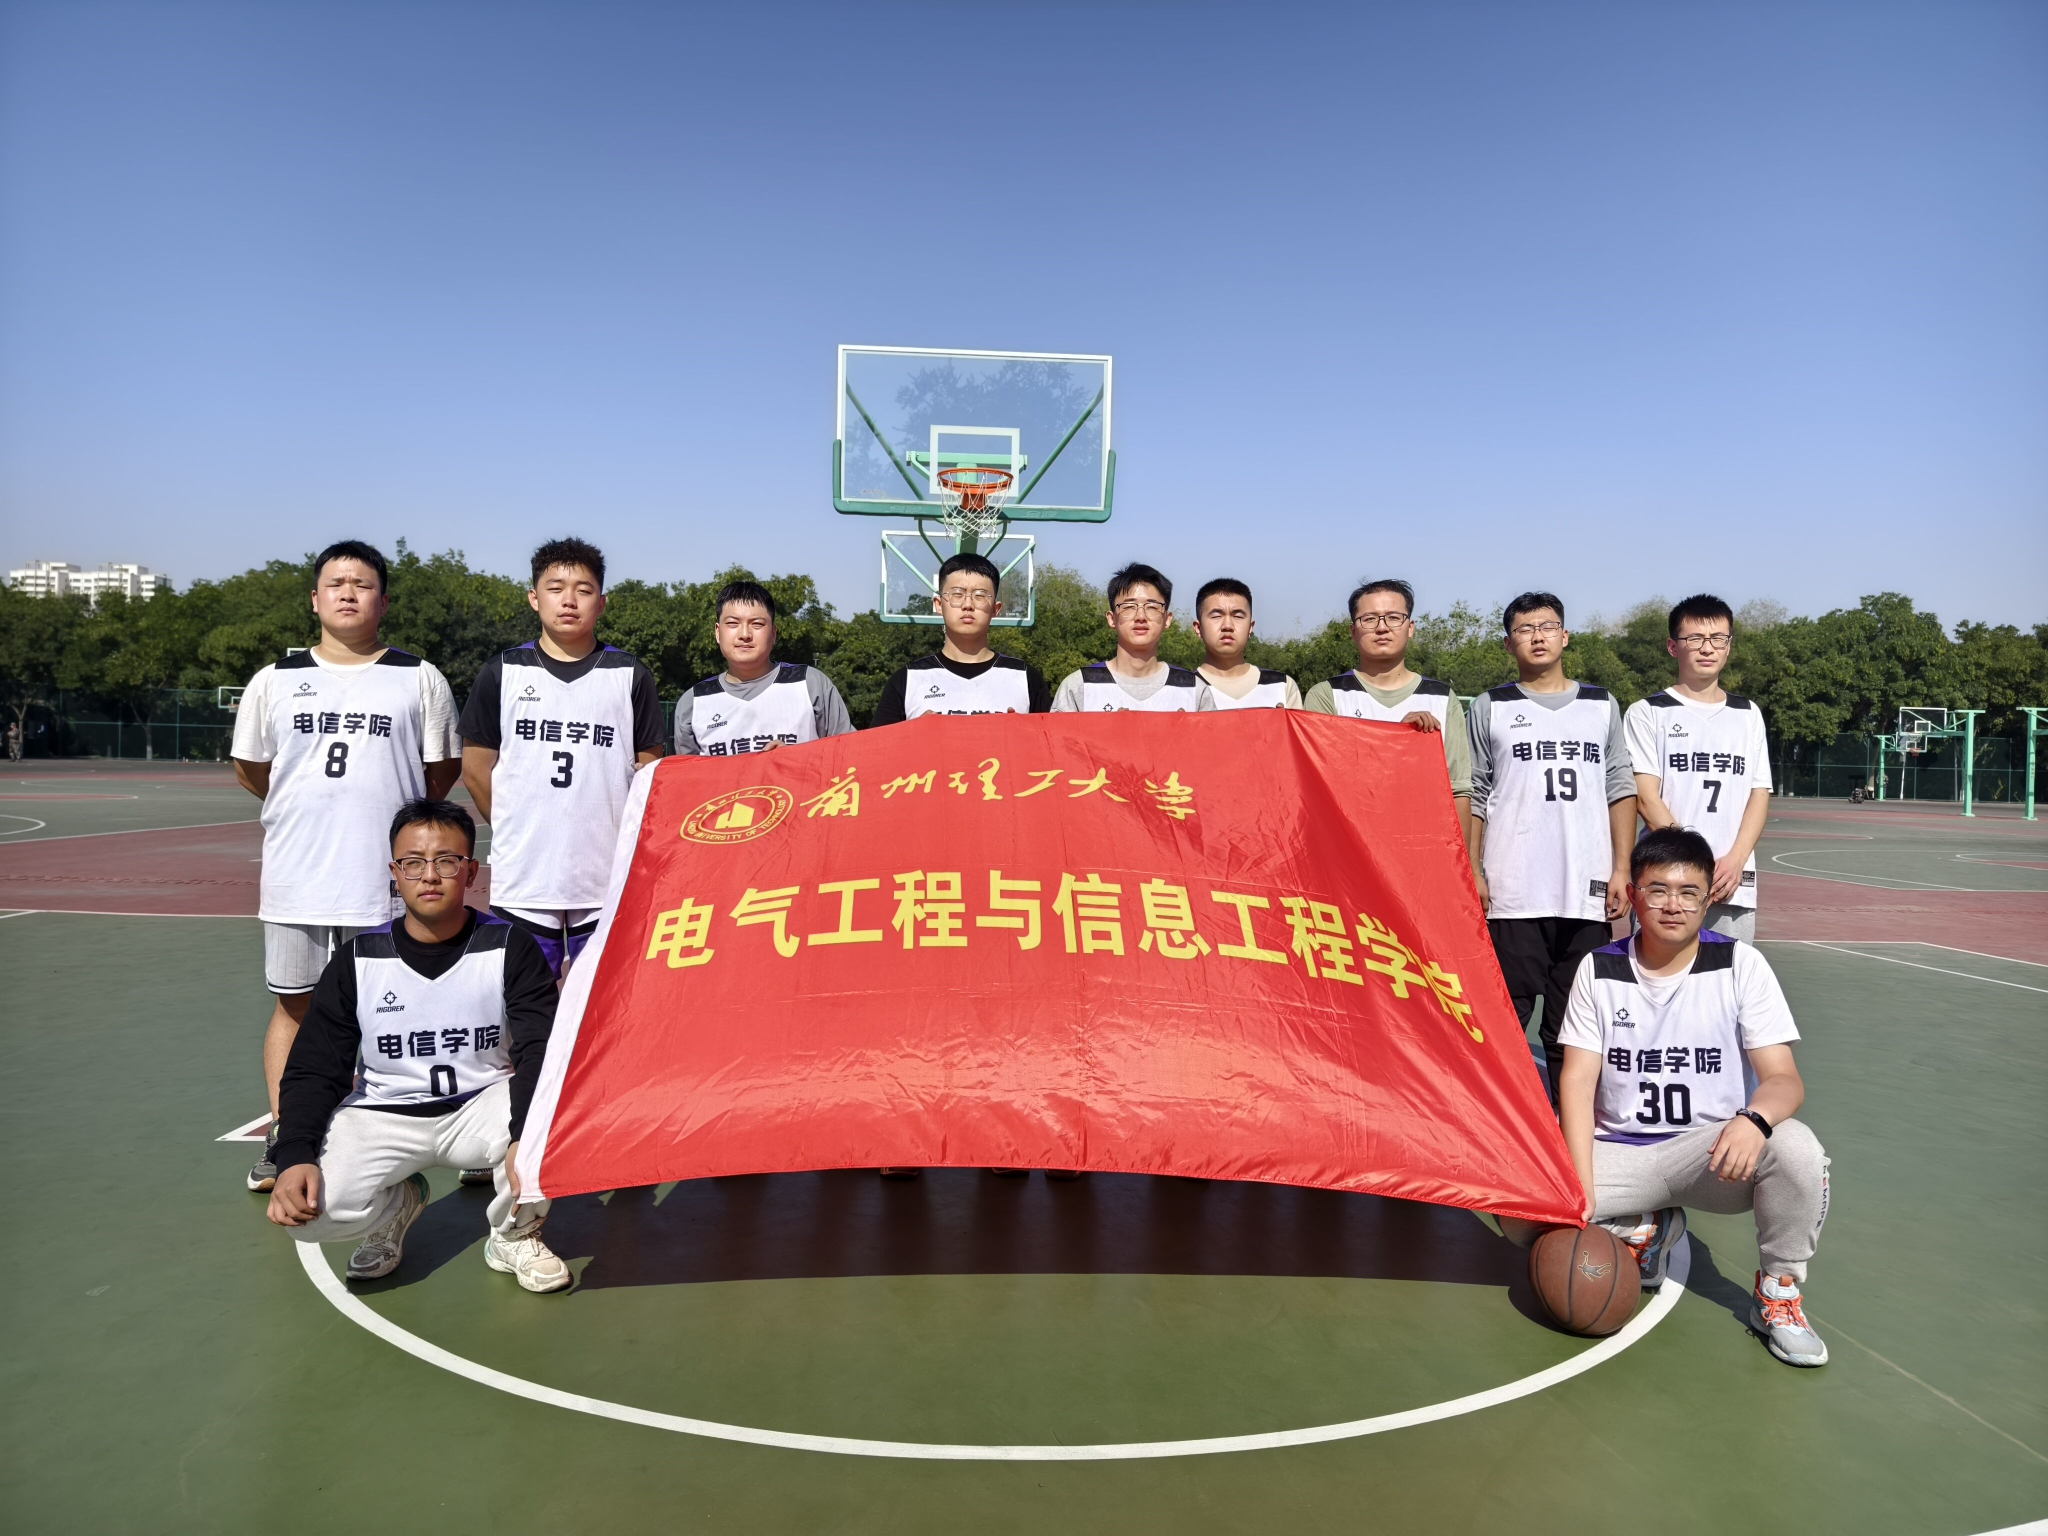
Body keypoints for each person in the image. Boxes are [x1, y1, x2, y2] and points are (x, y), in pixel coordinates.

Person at [264, 800, 571, 1292]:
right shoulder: (358, 959)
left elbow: (540, 1049)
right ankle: (396, 1206)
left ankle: (514, 1233)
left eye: (446, 861)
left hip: (480, 1107)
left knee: (548, 1132)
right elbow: (315, 1068)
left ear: (470, 871)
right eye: (413, 862)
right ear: (395, 873)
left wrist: (524, 1134)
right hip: (385, 1115)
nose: (429, 875)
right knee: (309, 1213)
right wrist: (294, 1154)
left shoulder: (510, 946)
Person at [231, 540, 461, 1193]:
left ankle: (395, 1132)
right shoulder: (275, 680)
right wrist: (306, 809)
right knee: (296, 1005)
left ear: (383, 602)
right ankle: (288, 1132)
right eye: (336, 583)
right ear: (315, 598)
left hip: (384, 880)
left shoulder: (418, 676)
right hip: (298, 873)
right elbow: (252, 768)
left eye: (362, 584)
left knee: (395, 1008)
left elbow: (439, 772)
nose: (348, 593)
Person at [1556, 827, 1829, 1367]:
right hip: (1621, 1150)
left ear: (1708, 899)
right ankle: (1646, 1229)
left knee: (1797, 1148)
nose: (1672, 905)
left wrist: (1754, 1120)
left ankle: (1778, 1292)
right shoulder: (1599, 968)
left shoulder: (1740, 964)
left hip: (1710, 1156)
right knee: (1521, 1204)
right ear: (1632, 895)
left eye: (1688, 893)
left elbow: (1784, 1079)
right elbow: (1578, 1081)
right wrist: (1578, 1192)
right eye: (1657, 890)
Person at [459, 538, 665, 980]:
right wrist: (516, 826)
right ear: (534, 598)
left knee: (605, 999)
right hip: (526, 876)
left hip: (607, 874)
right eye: (555, 588)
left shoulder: (630, 674)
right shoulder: (502, 671)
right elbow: (474, 771)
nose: (569, 600)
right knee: (527, 1003)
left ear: (601, 603)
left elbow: (649, 772)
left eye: (583, 590)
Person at [1465, 591, 1636, 1103]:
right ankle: (1496, 1128)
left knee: (1572, 1028)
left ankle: (1569, 1130)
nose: (1537, 637)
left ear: (1565, 636)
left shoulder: (1601, 704)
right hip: (1513, 893)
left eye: (1546, 627)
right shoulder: (1491, 706)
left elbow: (1619, 786)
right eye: (1524, 629)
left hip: (1585, 891)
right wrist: (1473, 869)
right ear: (1508, 642)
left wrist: (1622, 867)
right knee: (1503, 1023)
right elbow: (1475, 793)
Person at [1624, 594, 1773, 942]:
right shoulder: (1648, 712)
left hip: (1730, 882)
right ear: (1673, 646)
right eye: (1694, 639)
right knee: (1657, 975)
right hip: (1667, 885)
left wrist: (1736, 859)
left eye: (1718, 638)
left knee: (1726, 974)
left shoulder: (1748, 714)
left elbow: (1759, 793)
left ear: (1728, 646)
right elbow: (1646, 799)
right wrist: (1695, 865)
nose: (1707, 648)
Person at [1304, 579, 1471, 831]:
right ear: (1352, 631)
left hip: (1423, 842)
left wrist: (1465, 857)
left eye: (1394, 618)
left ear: (1410, 628)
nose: (1382, 628)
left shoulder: (1442, 697)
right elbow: (1323, 784)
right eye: (1369, 619)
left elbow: (1459, 790)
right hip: (1353, 844)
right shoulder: (1326, 695)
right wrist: (1396, 741)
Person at [675, 579, 854, 754]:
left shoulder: (810, 684)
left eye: (757, 624)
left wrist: (797, 759)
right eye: (732, 623)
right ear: (717, 632)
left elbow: (849, 756)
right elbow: (686, 772)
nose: (745, 634)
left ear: (773, 633)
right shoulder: (693, 702)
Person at [869, 552, 1052, 723]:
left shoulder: (1026, 678)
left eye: (980, 596)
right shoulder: (908, 679)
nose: (968, 604)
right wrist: (913, 732)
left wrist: (1023, 732)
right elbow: (879, 745)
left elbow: (1050, 743)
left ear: (995, 609)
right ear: (938, 604)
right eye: (957, 594)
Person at [1050, 563, 1217, 712]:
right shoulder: (1079, 686)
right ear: (1111, 618)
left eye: (1152, 607)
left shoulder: (1193, 689)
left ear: (1167, 619)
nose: (1140, 616)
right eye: (1129, 606)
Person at [1191, 578, 1299, 709]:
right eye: (1216, 616)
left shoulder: (1282, 686)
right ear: (1198, 628)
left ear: (1250, 627)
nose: (1227, 626)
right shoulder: (1183, 689)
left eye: (1238, 616)